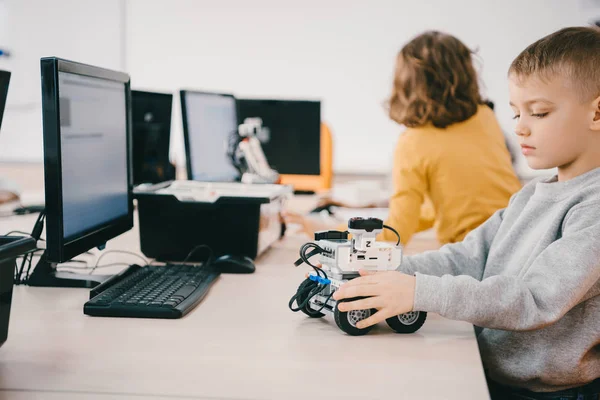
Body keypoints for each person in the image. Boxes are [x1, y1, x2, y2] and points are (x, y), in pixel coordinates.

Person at [333, 26, 600, 399]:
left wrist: (419, 292)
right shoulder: (531, 196)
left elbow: (534, 299)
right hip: (494, 371)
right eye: (515, 113)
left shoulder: (593, 209)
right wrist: (389, 271)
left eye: (538, 113)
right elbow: (469, 256)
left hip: (548, 393)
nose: (520, 127)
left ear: (597, 112)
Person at [285, 31, 521, 246]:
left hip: (477, 253)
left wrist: (326, 232)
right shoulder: (484, 116)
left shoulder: (415, 143)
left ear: (406, 85)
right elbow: (453, 203)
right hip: (518, 235)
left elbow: (395, 235)